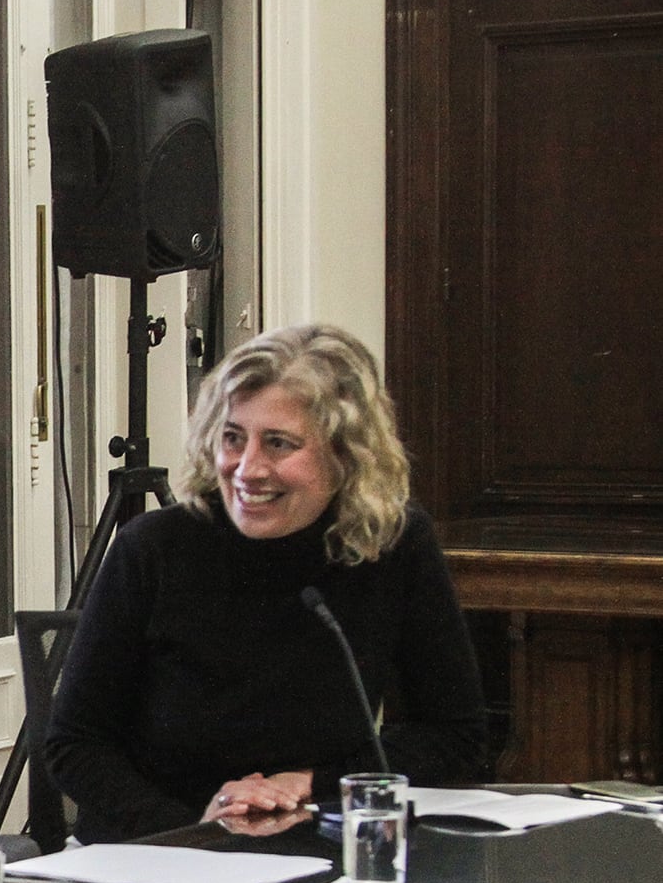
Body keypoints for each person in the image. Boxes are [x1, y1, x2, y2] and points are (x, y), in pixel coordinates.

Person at [46, 323, 486, 843]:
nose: (247, 469)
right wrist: (196, 828)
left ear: (345, 456)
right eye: (233, 438)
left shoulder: (389, 544)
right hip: (158, 852)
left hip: (320, 848)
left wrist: (310, 783)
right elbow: (74, 744)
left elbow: (454, 733)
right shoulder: (154, 548)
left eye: (279, 444)